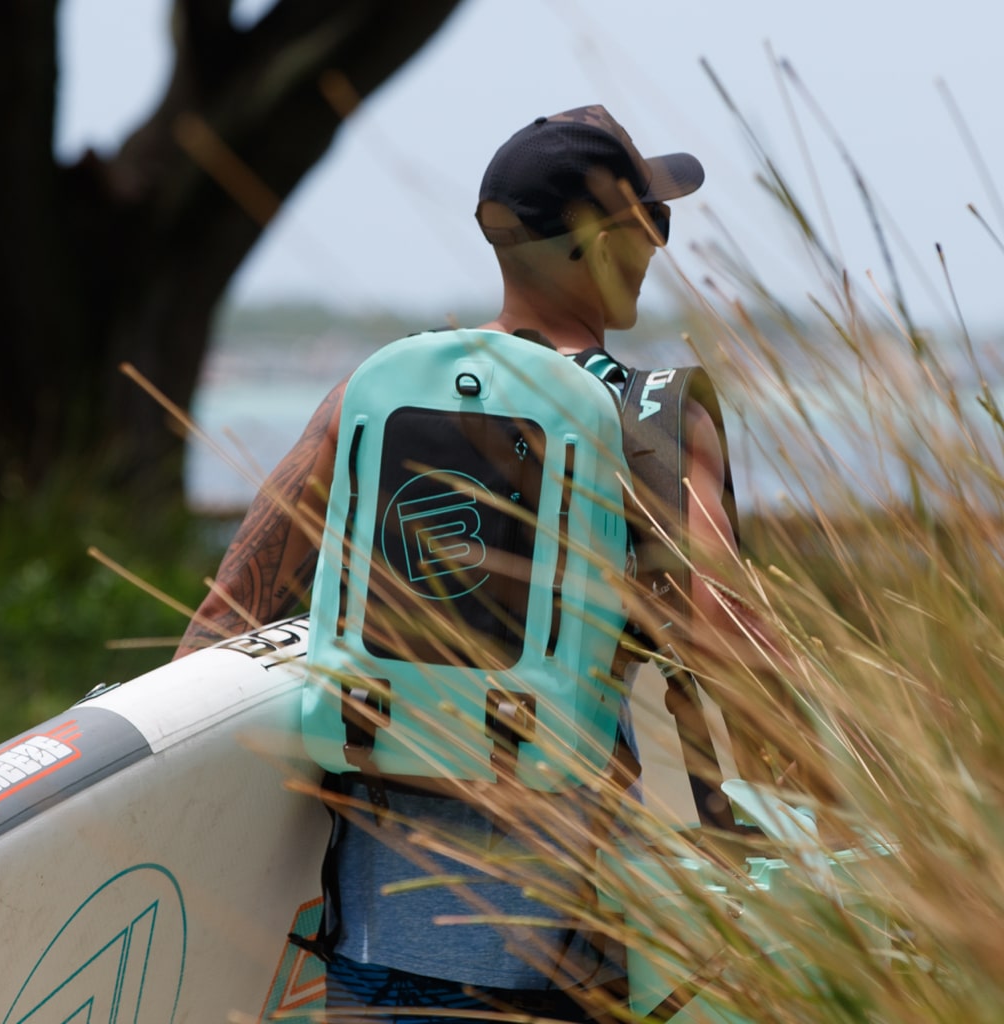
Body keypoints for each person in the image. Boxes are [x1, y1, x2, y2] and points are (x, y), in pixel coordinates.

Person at [175, 105, 767, 1021]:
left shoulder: (367, 400)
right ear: (593, 242)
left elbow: (222, 622)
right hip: (563, 953)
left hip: (370, 937)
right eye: (650, 222)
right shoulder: (650, 420)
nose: (659, 246)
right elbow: (735, 649)